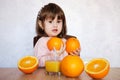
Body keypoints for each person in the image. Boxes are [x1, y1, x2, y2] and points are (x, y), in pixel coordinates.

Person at [34, 3, 80, 67]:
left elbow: (70, 63)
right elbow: (38, 63)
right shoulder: (42, 42)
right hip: (47, 75)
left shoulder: (64, 42)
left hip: (63, 74)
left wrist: (75, 55)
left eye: (58, 21)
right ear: (41, 24)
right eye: (50, 22)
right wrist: (53, 56)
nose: (55, 25)